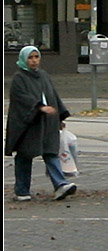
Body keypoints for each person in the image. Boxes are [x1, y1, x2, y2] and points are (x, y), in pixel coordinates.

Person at [5, 46, 76, 201]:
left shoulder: (43, 75)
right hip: (29, 123)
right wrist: (39, 107)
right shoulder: (19, 78)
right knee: (25, 155)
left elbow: (52, 95)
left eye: (36, 57)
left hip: (47, 122)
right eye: (30, 58)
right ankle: (22, 190)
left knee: (50, 152)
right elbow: (22, 98)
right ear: (24, 59)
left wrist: (59, 117)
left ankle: (60, 184)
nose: (34, 61)